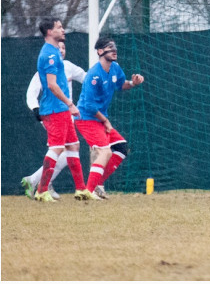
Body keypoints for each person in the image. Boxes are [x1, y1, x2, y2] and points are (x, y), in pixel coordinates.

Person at [33, 17, 95, 202]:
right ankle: (41, 190)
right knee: (56, 148)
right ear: (50, 32)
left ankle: (81, 189)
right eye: (59, 27)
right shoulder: (50, 55)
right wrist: (70, 104)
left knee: (73, 145)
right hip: (54, 109)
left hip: (61, 109)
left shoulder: (54, 52)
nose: (63, 30)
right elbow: (52, 85)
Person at [75, 37, 144, 197]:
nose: (114, 50)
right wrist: (105, 121)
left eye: (115, 47)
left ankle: (97, 184)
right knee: (105, 152)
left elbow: (121, 85)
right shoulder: (93, 75)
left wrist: (133, 83)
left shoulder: (115, 68)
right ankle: (88, 191)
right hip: (86, 119)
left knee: (121, 148)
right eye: (109, 47)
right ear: (100, 52)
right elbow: (90, 106)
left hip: (99, 119)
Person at [21, 41, 86, 200]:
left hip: (66, 114)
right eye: (58, 48)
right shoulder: (46, 68)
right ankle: (42, 185)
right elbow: (32, 92)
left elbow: (86, 77)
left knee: (68, 150)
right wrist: (35, 108)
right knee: (61, 149)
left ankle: (39, 182)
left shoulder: (68, 66)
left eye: (64, 47)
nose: (61, 50)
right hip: (52, 113)